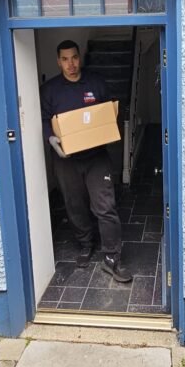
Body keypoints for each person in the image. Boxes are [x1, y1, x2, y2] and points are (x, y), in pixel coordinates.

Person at [40, 39, 132, 283]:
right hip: (66, 160)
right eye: (65, 59)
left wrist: (108, 130)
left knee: (105, 206)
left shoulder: (95, 83)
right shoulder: (50, 90)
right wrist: (51, 139)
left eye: (75, 57)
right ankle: (85, 243)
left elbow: (108, 113)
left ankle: (112, 257)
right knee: (74, 204)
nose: (71, 64)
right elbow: (44, 119)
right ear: (58, 61)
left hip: (96, 157)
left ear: (80, 58)